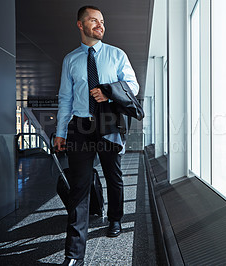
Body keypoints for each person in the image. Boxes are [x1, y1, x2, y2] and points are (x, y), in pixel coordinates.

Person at [54, 5, 139, 266]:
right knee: (79, 187)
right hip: (80, 127)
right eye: (94, 20)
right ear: (80, 25)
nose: (100, 25)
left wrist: (108, 92)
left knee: (113, 176)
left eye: (102, 21)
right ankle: (74, 255)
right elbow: (65, 98)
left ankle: (115, 219)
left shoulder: (116, 55)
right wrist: (60, 132)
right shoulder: (71, 60)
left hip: (109, 123)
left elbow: (133, 86)